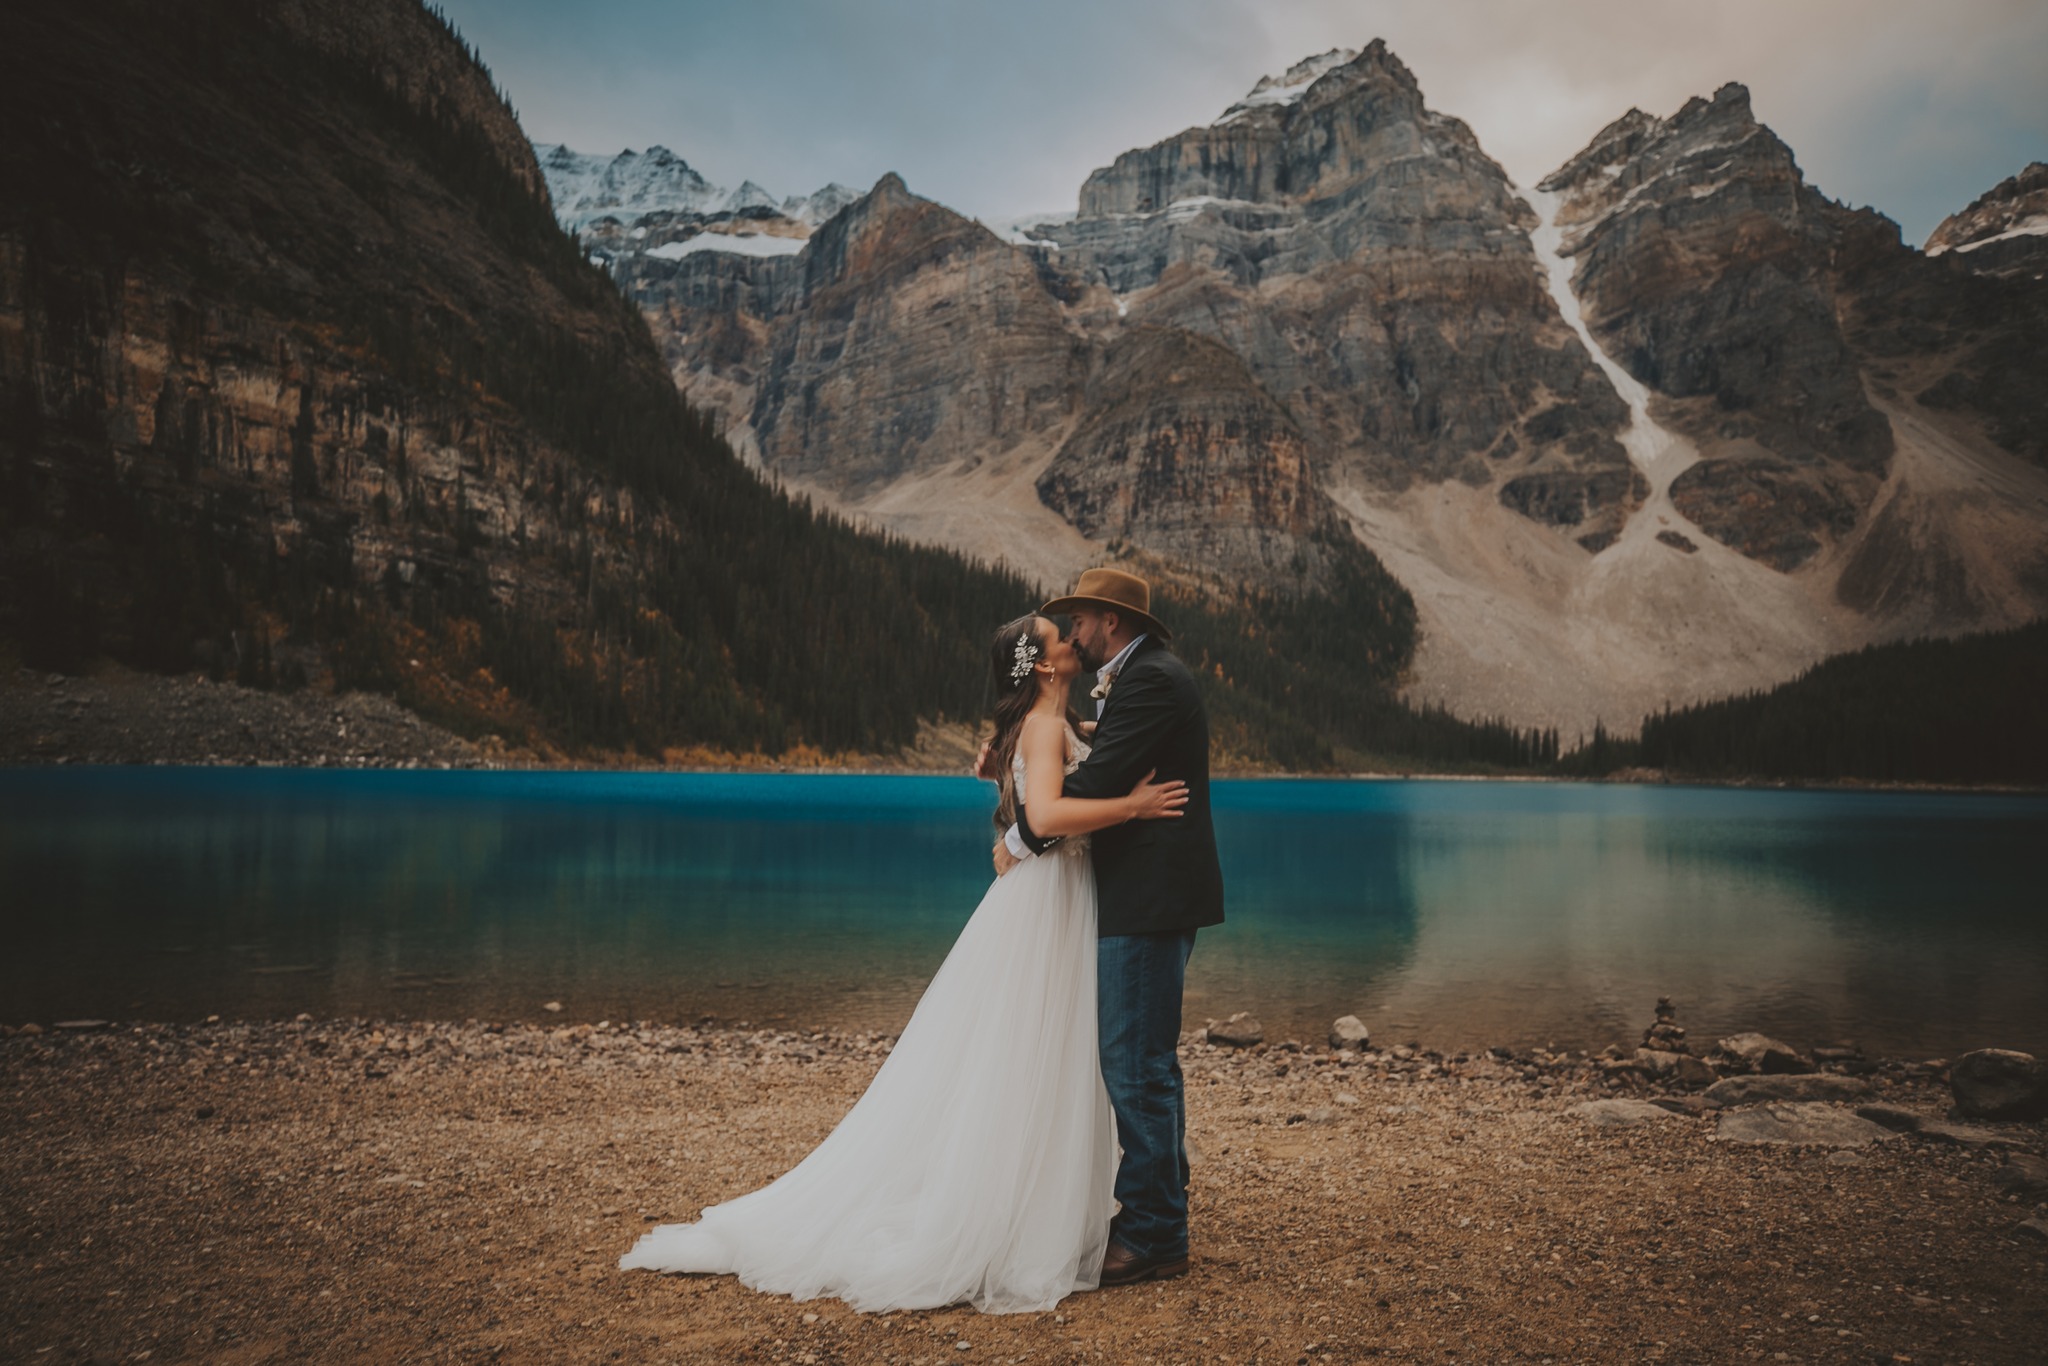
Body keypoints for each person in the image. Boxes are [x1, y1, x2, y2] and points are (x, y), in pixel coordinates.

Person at [618, 611, 1188, 1313]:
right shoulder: (1042, 728)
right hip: (1050, 901)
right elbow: (1044, 817)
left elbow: (1050, 777)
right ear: (1043, 667)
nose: (1073, 639)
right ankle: (1014, 1210)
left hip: (1050, 897)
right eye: (1058, 637)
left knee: (1027, 1052)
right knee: (1029, 1052)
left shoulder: (1043, 725)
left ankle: (1033, 1199)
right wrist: (1130, 806)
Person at [994, 567, 1225, 1287]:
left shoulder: (1151, 678)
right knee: (1145, 1063)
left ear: (1110, 623)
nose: (1074, 634)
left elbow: (1094, 783)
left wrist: (1021, 838)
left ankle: (1155, 1233)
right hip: (1138, 896)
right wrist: (1031, 746)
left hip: (1147, 900)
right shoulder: (1138, 678)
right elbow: (1098, 748)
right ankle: (1159, 1215)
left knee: (1135, 1065)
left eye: (1080, 620)